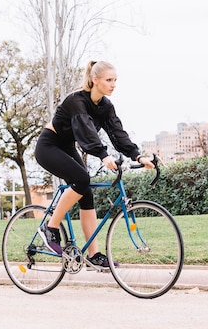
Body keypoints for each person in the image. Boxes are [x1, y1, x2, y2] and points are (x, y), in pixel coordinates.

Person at [34, 60, 154, 268]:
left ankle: (94, 255)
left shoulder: (106, 106)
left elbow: (117, 132)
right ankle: (50, 227)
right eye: (108, 80)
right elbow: (85, 128)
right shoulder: (76, 101)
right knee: (81, 179)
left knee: (85, 191)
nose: (113, 84)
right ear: (94, 79)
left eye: (115, 80)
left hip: (67, 145)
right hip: (49, 145)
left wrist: (138, 156)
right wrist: (103, 155)